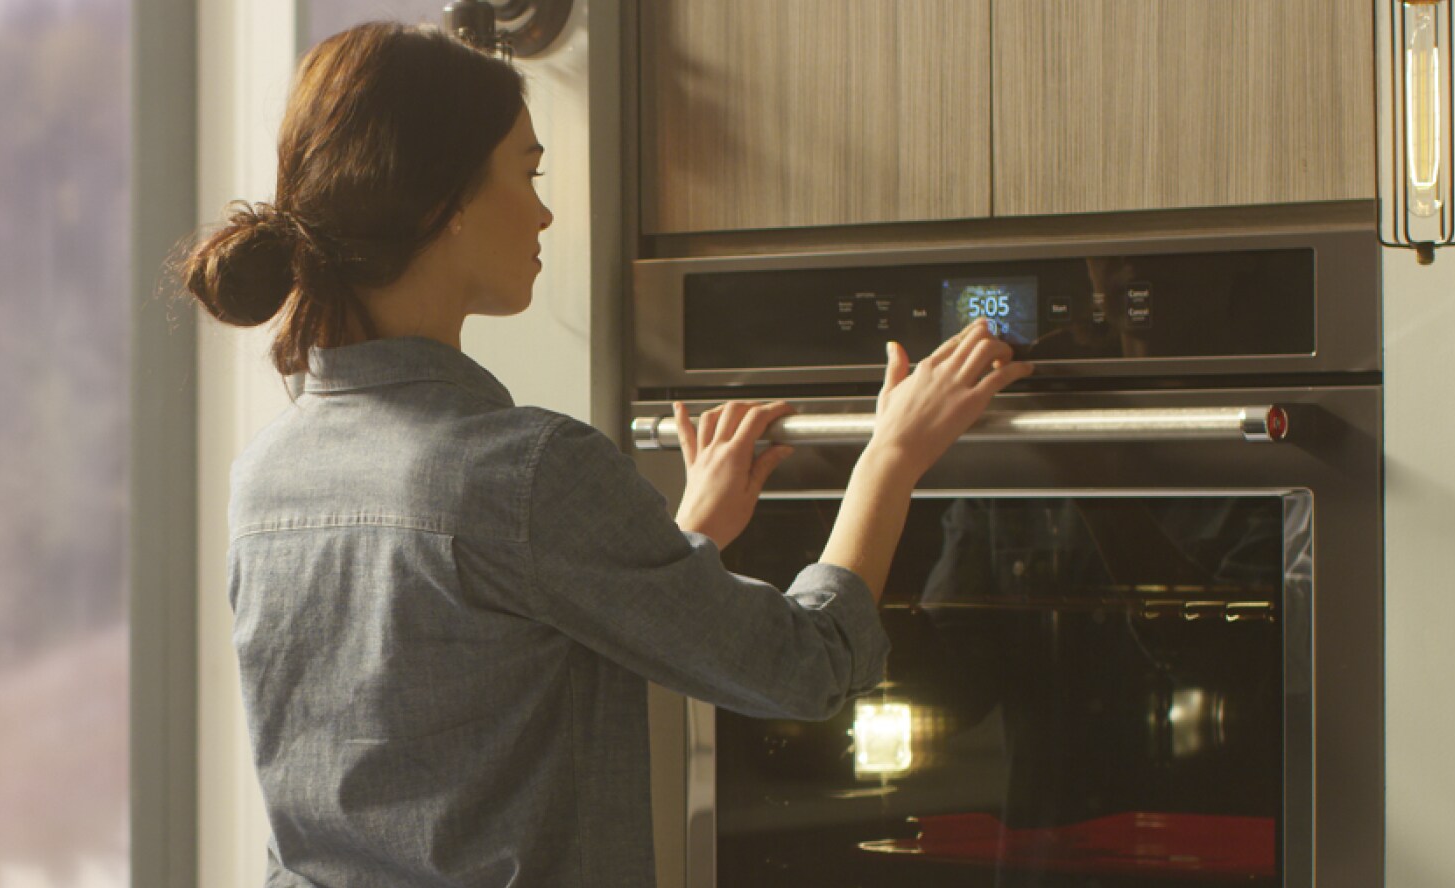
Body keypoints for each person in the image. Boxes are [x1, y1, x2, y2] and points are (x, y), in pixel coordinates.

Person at [178, 21, 1034, 887]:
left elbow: (489, 668)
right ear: (450, 206)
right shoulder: (524, 472)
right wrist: (891, 455)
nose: (545, 210)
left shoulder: (269, 473)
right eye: (529, 171)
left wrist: (685, 539)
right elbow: (807, 667)